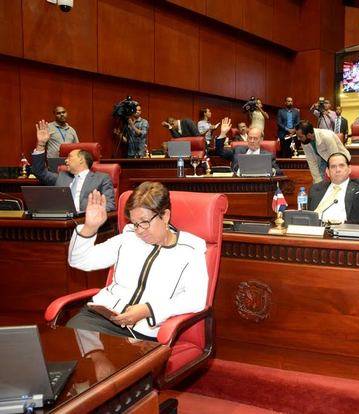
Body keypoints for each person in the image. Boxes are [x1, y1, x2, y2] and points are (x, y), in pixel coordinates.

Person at [65, 181, 208, 340]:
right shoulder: (128, 238)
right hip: (98, 318)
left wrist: (148, 310)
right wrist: (90, 227)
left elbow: (195, 299)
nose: (139, 231)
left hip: (142, 331)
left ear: (165, 215)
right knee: (61, 351)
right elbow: (80, 260)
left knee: (104, 362)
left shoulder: (191, 249)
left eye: (145, 222)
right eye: (135, 224)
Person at [308, 132, 359, 224]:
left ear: (349, 169)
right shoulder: (315, 189)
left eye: (341, 165)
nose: (337, 169)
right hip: (316, 233)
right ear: (327, 172)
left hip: (346, 234)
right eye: (333, 166)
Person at [32, 120, 115, 211]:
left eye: (69, 157)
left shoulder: (102, 178)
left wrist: (90, 213)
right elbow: (39, 172)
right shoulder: (61, 177)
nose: (65, 160)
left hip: (86, 220)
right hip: (62, 221)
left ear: (81, 160)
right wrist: (41, 144)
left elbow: (109, 206)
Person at [215, 117, 281, 175]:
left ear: (261, 139)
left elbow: (278, 172)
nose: (252, 141)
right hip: (239, 185)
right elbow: (220, 152)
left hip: (259, 185)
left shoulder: (269, 155)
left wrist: (272, 171)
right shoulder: (238, 150)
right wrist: (223, 133)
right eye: (250, 138)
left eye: (255, 138)